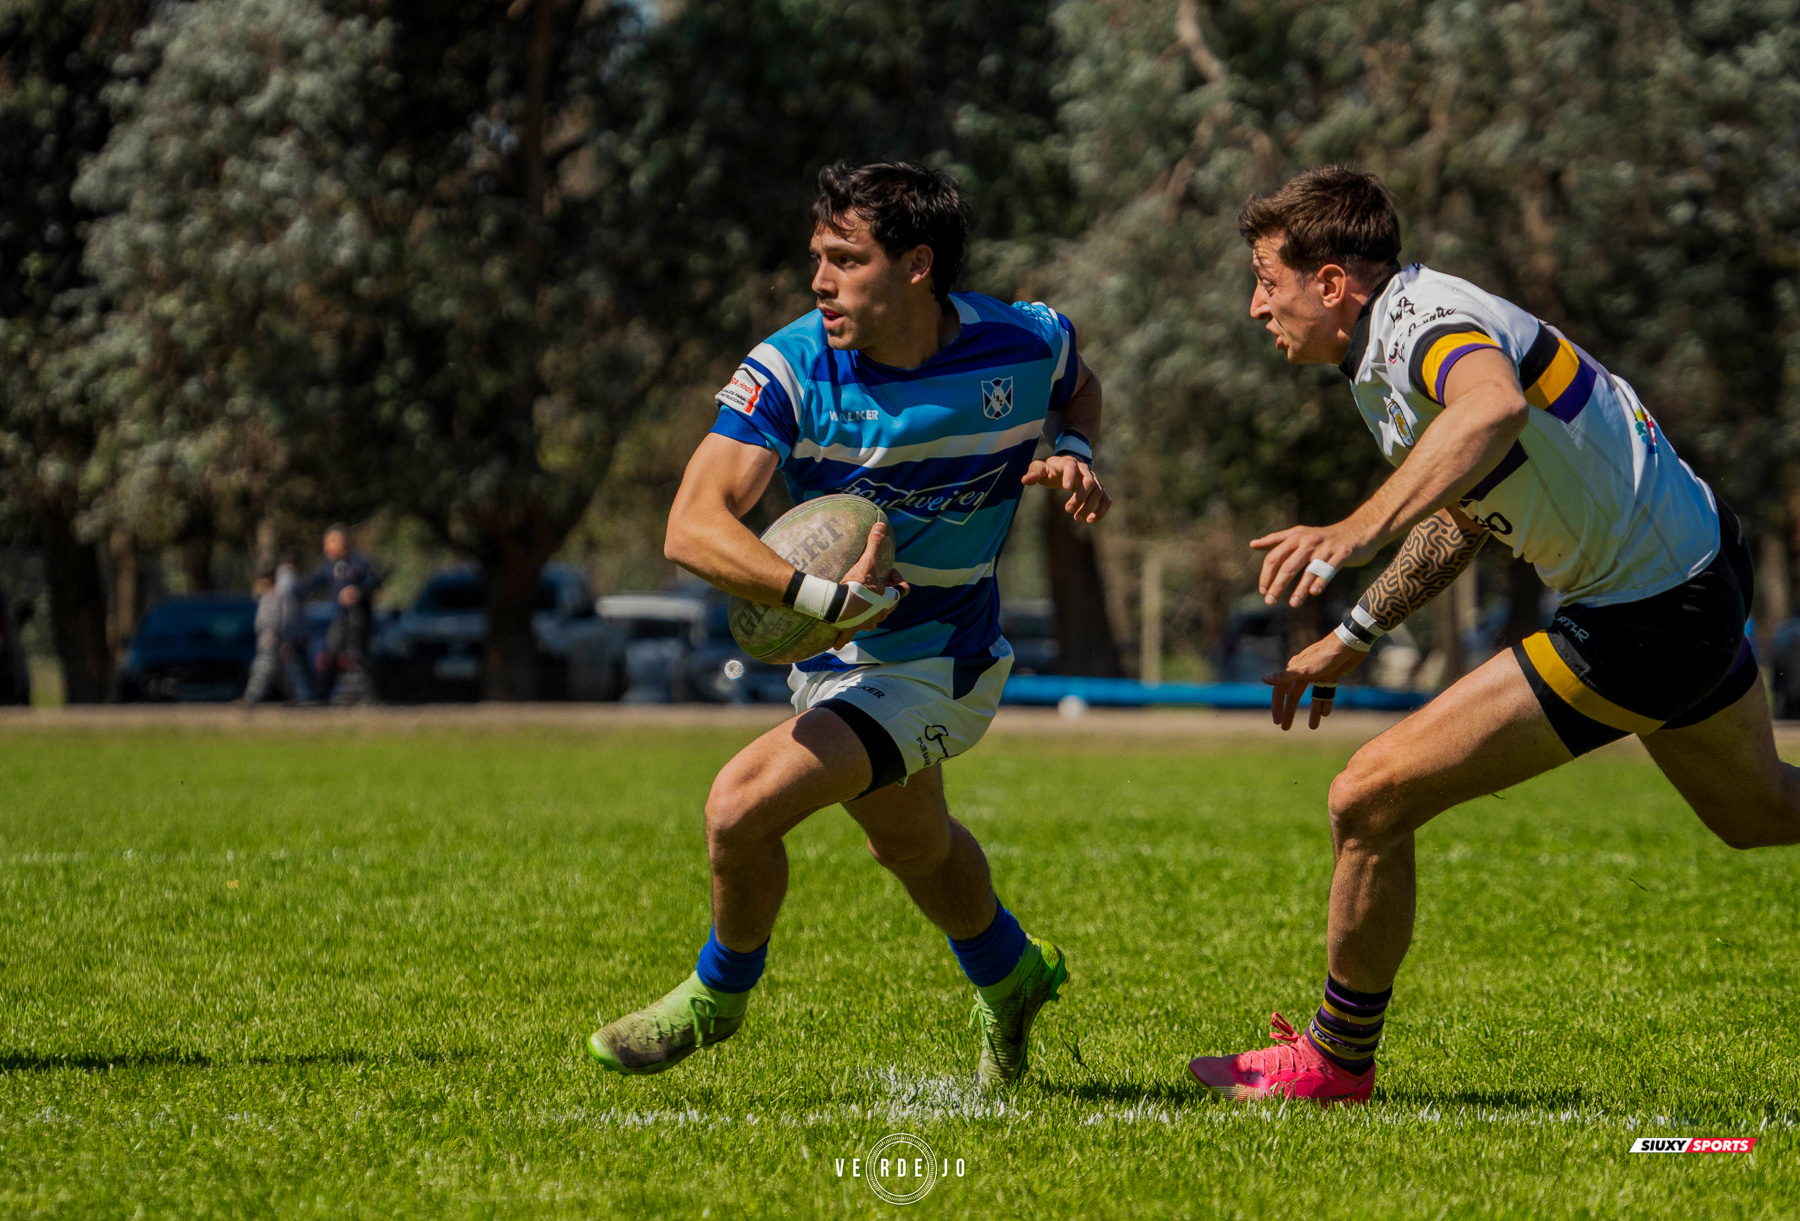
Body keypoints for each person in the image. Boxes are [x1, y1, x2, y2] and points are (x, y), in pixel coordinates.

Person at [1186, 165, 1800, 1106]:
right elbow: (1466, 511)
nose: (1255, 305)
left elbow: (1490, 408)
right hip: (1695, 567)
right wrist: (1356, 630)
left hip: (1649, 613)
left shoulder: (1420, 327)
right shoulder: (1389, 351)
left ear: (1334, 282)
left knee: (1367, 797)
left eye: (1268, 279)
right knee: (1758, 813)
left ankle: (1335, 1062)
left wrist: (1351, 532)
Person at [587, 161, 1110, 1085]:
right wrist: (820, 601)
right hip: (840, 655)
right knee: (912, 847)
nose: (818, 281)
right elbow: (691, 524)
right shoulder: (794, 367)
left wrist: (1072, 446)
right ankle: (1013, 973)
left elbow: (1078, 380)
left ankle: (718, 994)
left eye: (844, 259)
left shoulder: (1022, 343)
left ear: (916, 266)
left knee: (738, 807)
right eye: (816, 258)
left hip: (944, 660)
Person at [299, 524, 380, 702]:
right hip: (340, 618)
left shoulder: (359, 562)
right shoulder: (329, 566)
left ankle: (370, 698)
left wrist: (357, 591)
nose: (327, 546)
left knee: (360, 655)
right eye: (326, 542)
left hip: (359, 619)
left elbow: (374, 580)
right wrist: (289, 590)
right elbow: (311, 583)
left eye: (331, 541)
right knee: (330, 654)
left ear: (344, 542)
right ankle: (322, 696)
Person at [245, 561, 312, 706]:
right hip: (274, 639)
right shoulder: (271, 597)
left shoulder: (280, 597)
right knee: (287, 671)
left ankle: (252, 698)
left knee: (268, 669)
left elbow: (282, 621)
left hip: (275, 640)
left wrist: (285, 639)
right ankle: (302, 698)